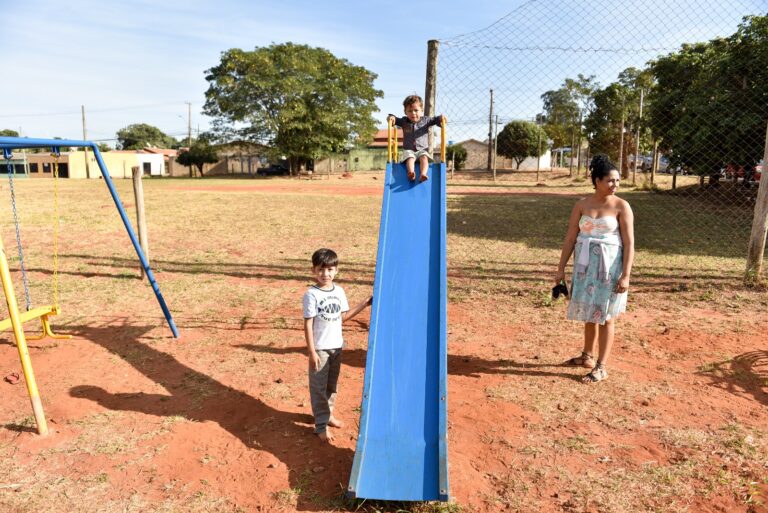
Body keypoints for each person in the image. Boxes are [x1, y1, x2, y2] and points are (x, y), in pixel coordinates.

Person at [555, 154, 635, 383]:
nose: (615, 185)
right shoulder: (581, 205)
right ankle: (587, 356)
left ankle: (601, 366)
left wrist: (626, 276)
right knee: (590, 313)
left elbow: (629, 243)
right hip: (584, 268)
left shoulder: (622, 206)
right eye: (611, 180)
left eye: (617, 181)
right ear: (597, 180)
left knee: (606, 315)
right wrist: (560, 270)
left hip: (609, 270)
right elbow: (571, 238)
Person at [303, 248, 372, 441]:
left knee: (331, 386)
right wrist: (312, 352)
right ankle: (321, 425)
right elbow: (308, 324)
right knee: (318, 387)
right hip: (320, 349)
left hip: (337, 347)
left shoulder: (339, 291)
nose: (325, 274)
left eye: (330, 269)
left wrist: (365, 304)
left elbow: (343, 317)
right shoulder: (311, 295)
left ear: (336, 271)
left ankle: (328, 414)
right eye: (321, 269)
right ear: (313, 271)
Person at [387, 94, 447, 182]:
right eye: (410, 111)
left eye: (416, 110)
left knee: (424, 158)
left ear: (421, 110)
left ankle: (423, 174)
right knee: (410, 158)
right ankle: (411, 173)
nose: (413, 113)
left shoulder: (426, 120)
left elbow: (435, 120)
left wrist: (441, 118)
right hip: (409, 150)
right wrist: (390, 117)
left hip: (422, 150)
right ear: (405, 112)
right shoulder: (404, 121)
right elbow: (394, 119)